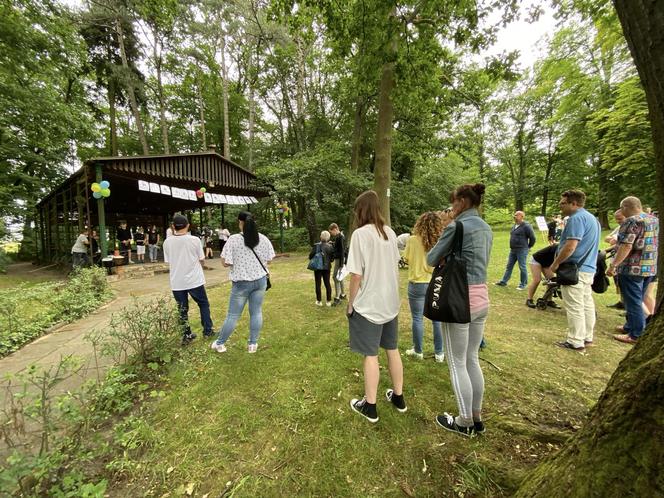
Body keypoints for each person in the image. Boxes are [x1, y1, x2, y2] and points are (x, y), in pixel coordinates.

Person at [427, 183, 493, 437]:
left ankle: (464, 421)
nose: (452, 207)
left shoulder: (457, 226)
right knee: (471, 358)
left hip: (458, 300)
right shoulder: (486, 228)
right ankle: (476, 416)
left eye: (454, 202)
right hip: (481, 298)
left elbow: (431, 258)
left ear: (463, 202)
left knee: (456, 362)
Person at [347, 190, 405, 423]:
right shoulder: (390, 233)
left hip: (369, 305)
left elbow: (355, 275)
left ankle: (370, 406)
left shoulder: (360, 235)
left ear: (361, 211)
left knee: (371, 354)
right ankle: (398, 397)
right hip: (390, 302)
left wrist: (350, 304)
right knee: (392, 349)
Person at [543, 190, 600, 352]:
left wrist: (555, 264)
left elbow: (570, 246)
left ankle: (575, 340)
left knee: (574, 305)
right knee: (586, 303)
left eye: (563, 203)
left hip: (575, 269)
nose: (560, 206)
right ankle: (587, 336)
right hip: (588, 268)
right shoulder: (592, 219)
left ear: (573, 203)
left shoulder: (576, 219)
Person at [211, 212, 275, 353]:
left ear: (239, 222)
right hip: (260, 281)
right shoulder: (263, 238)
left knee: (233, 315)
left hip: (241, 283)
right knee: (256, 312)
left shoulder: (233, 239)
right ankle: (253, 344)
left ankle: (220, 343)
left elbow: (225, 263)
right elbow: (269, 259)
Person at [608, 196, 659, 345]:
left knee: (633, 301)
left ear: (625, 207)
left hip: (632, 268)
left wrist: (614, 265)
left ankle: (636, 334)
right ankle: (630, 326)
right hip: (650, 267)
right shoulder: (654, 220)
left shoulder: (631, 221)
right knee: (638, 298)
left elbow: (626, 245)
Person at [162, 214, 214, 345]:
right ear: (188, 226)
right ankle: (208, 331)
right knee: (203, 304)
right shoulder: (194, 240)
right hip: (194, 279)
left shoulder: (167, 242)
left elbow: (168, 261)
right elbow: (201, 259)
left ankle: (186, 335)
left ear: (173, 227)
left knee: (182, 310)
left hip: (177, 281)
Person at [403, 212, 445, 362]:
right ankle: (440, 353)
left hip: (416, 283)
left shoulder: (412, 240)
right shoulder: (440, 241)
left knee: (417, 318)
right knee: (437, 320)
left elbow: (406, 259)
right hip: (435, 283)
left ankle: (418, 351)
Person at [495, 211, 536, 290]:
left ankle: (523, 284)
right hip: (513, 250)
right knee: (509, 266)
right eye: (514, 215)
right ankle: (503, 281)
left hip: (522, 250)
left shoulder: (526, 226)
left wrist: (529, 247)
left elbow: (533, 238)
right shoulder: (515, 225)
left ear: (522, 216)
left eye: (517, 215)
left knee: (522, 267)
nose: (514, 216)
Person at [525, 244, 561, 309]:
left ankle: (549, 300)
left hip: (546, 263)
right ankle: (529, 299)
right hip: (536, 260)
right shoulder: (557, 247)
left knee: (552, 281)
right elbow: (556, 262)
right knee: (537, 280)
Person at [605, 209, 627, 309]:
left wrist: (615, 241)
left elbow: (623, 245)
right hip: (615, 257)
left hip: (622, 260)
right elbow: (607, 238)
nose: (618, 221)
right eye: (616, 219)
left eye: (620, 218)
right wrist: (613, 240)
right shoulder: (619, 227)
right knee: (618, 281)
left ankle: (626, 304)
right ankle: (622, 302)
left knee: (624, 282)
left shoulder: (628, 228)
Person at [309, 230, 335, 306]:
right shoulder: (330, 246)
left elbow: (310, 256)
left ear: (321, 237)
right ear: (328, 238)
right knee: (327, 283)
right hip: (327, 267)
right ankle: (328, 301)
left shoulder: (316, 245)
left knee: (318, 283)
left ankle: (319, 301)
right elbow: (332, 259)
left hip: (318, 267)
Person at [329, 223, 347, 305]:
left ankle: (337, 298)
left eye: (331, 232)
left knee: (335, 277)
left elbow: (343, 251)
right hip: (338, 259)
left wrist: (341, 264)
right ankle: (342, 294)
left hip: (339, 260)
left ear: (335, 229)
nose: (331, 234)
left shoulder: (340, 237)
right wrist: (332, 243)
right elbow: (338, 247)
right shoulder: (338, 237)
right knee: (340, 277)